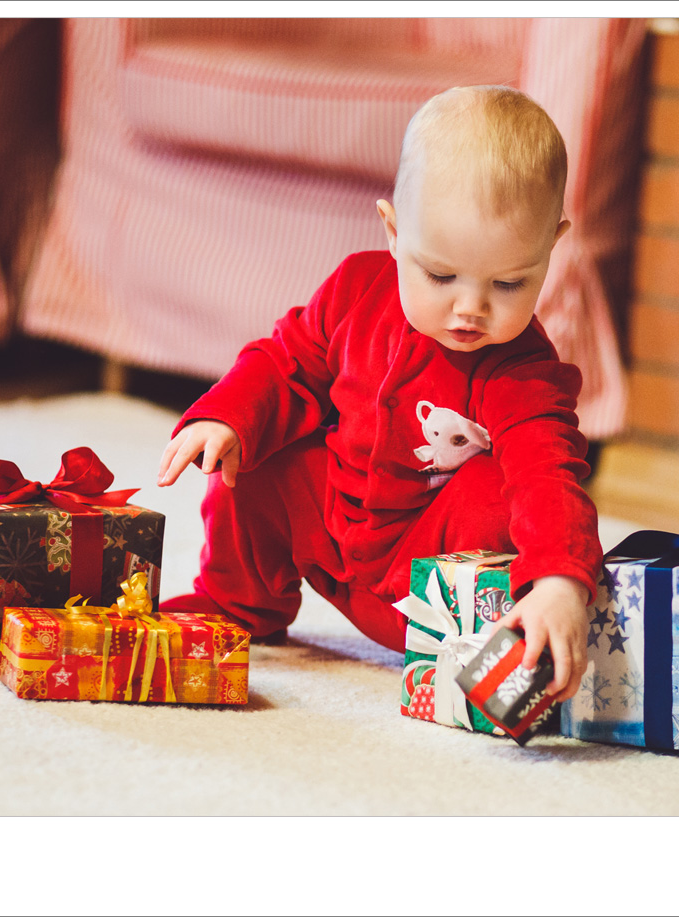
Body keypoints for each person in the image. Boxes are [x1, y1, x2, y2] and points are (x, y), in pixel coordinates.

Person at [157, 86, 603, 702]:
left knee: (497, 490)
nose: (470, 309)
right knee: (252, 452)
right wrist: (225, 417)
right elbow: (283, 363)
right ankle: (236, 601)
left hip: (428, 586)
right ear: (394, 233)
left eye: (507, 282)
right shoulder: (354, 290)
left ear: (550, 250)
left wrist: (558, 582)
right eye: (440, 275)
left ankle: (491, 638)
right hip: (333, 539)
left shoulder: (521, 370)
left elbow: (548, 475)